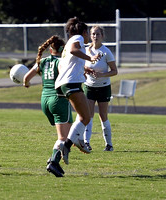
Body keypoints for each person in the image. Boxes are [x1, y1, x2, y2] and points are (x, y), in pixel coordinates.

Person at [23, 35, 73, 177]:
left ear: (50, 50)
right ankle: (53, 161)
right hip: (59, 100)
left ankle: (55, 159)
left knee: (68, 132)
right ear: (63, 49)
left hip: (44, 100)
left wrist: (26, 84)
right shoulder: (62, 62)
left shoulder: (43, 61)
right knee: (64, 137)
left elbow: (26, 78)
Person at [55, 17, 101, 165]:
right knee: (85, 117)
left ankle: (78, 139)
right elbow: (75, 50)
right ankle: (67, 145)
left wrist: (85, 68)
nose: (88, 36)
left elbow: (64, 64)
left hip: (65, 84)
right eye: (87, 33)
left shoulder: (69, 43)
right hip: (71, 83)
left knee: (83, 116)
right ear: (83, 32)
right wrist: (90, 57)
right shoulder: (77, 38)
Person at [83, 26, 118, 151]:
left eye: (98, 34)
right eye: (93, 34)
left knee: (103, 115)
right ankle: (86, 142)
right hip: (89, 87)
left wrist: (102, 75)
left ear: (102, 36)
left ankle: (109, 145)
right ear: (90, 35)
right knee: (88, 115)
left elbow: (115, 71)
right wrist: (87, 70)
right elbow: (82, 66)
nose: (95, 36)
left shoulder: (106, 52)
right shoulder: (86, 50)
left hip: (103, 87)